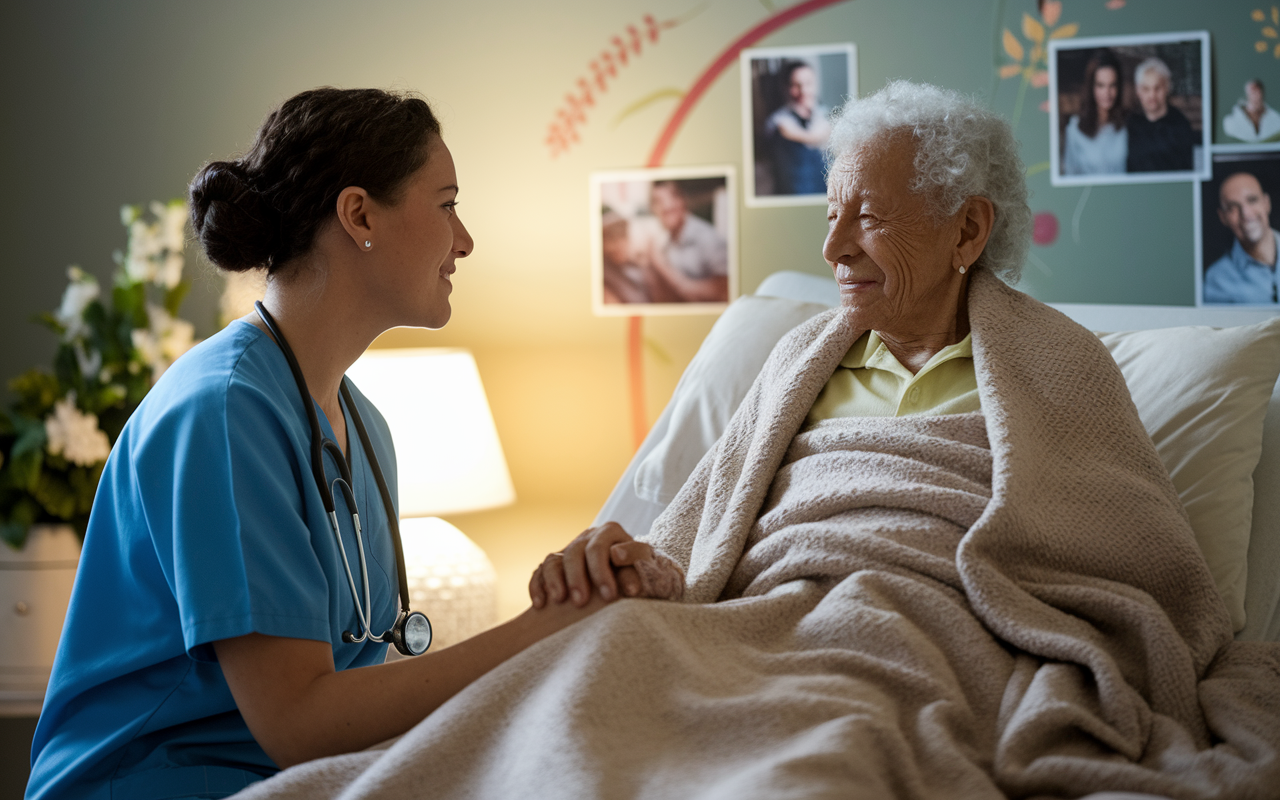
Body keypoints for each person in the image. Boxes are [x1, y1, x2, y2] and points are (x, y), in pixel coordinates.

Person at [24, 87, 679, 800]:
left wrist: (571, 599)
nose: (464, 241)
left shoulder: (363, 427)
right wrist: (544, 627)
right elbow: (298, 721)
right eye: (448, 203)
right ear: (359, 213)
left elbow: (349, 695)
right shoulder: (222, 411)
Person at [639, 180, 729, 303]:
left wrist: (658, 261)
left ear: (682, 201)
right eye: (657, 202)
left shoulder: (707, 238)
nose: (666, 207)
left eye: (672, 199)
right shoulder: (668, 243)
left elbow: (726, 291)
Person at [1204, 171, 1280, 304]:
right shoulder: (1216, 279)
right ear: (1223, 217)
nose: (1246, 214)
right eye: (1233, 207)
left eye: (1252, 200)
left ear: (1266, 203)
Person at [762, 60, 831, 195]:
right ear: (786, 87)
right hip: (794, 192)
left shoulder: (824, 114)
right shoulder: (779, 121)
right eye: (796, 85)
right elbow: (812, 138)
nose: (803, 90)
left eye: (808, 84)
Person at [1061, 50, 1127, 175]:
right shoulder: (1075, 130)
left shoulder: (1126, 125)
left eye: (1112, 85)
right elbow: (1070, 175)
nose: (1107, 93)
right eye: (1100, 85)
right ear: (1091, 87)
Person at [1126, 56, 1195, 172]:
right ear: (1138, 91)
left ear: (1167, 87)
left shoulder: (1180, 125)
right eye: (1146, 89)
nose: (1152, 95)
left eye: (1157, 88)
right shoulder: (1130, 124)